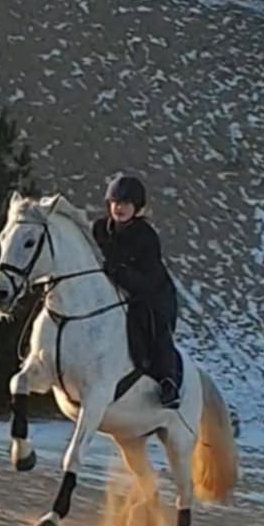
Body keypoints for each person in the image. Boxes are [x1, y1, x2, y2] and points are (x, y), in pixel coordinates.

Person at [91, 172, 181, 407]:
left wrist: (119, 272)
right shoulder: (99, 228)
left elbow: (148, 281)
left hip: (154, 293)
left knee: (154, 325)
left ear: (137, 208)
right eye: (115, 202)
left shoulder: (146, 236)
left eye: (126, 203)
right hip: (113, 290)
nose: (119, 208)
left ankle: (168, 382)